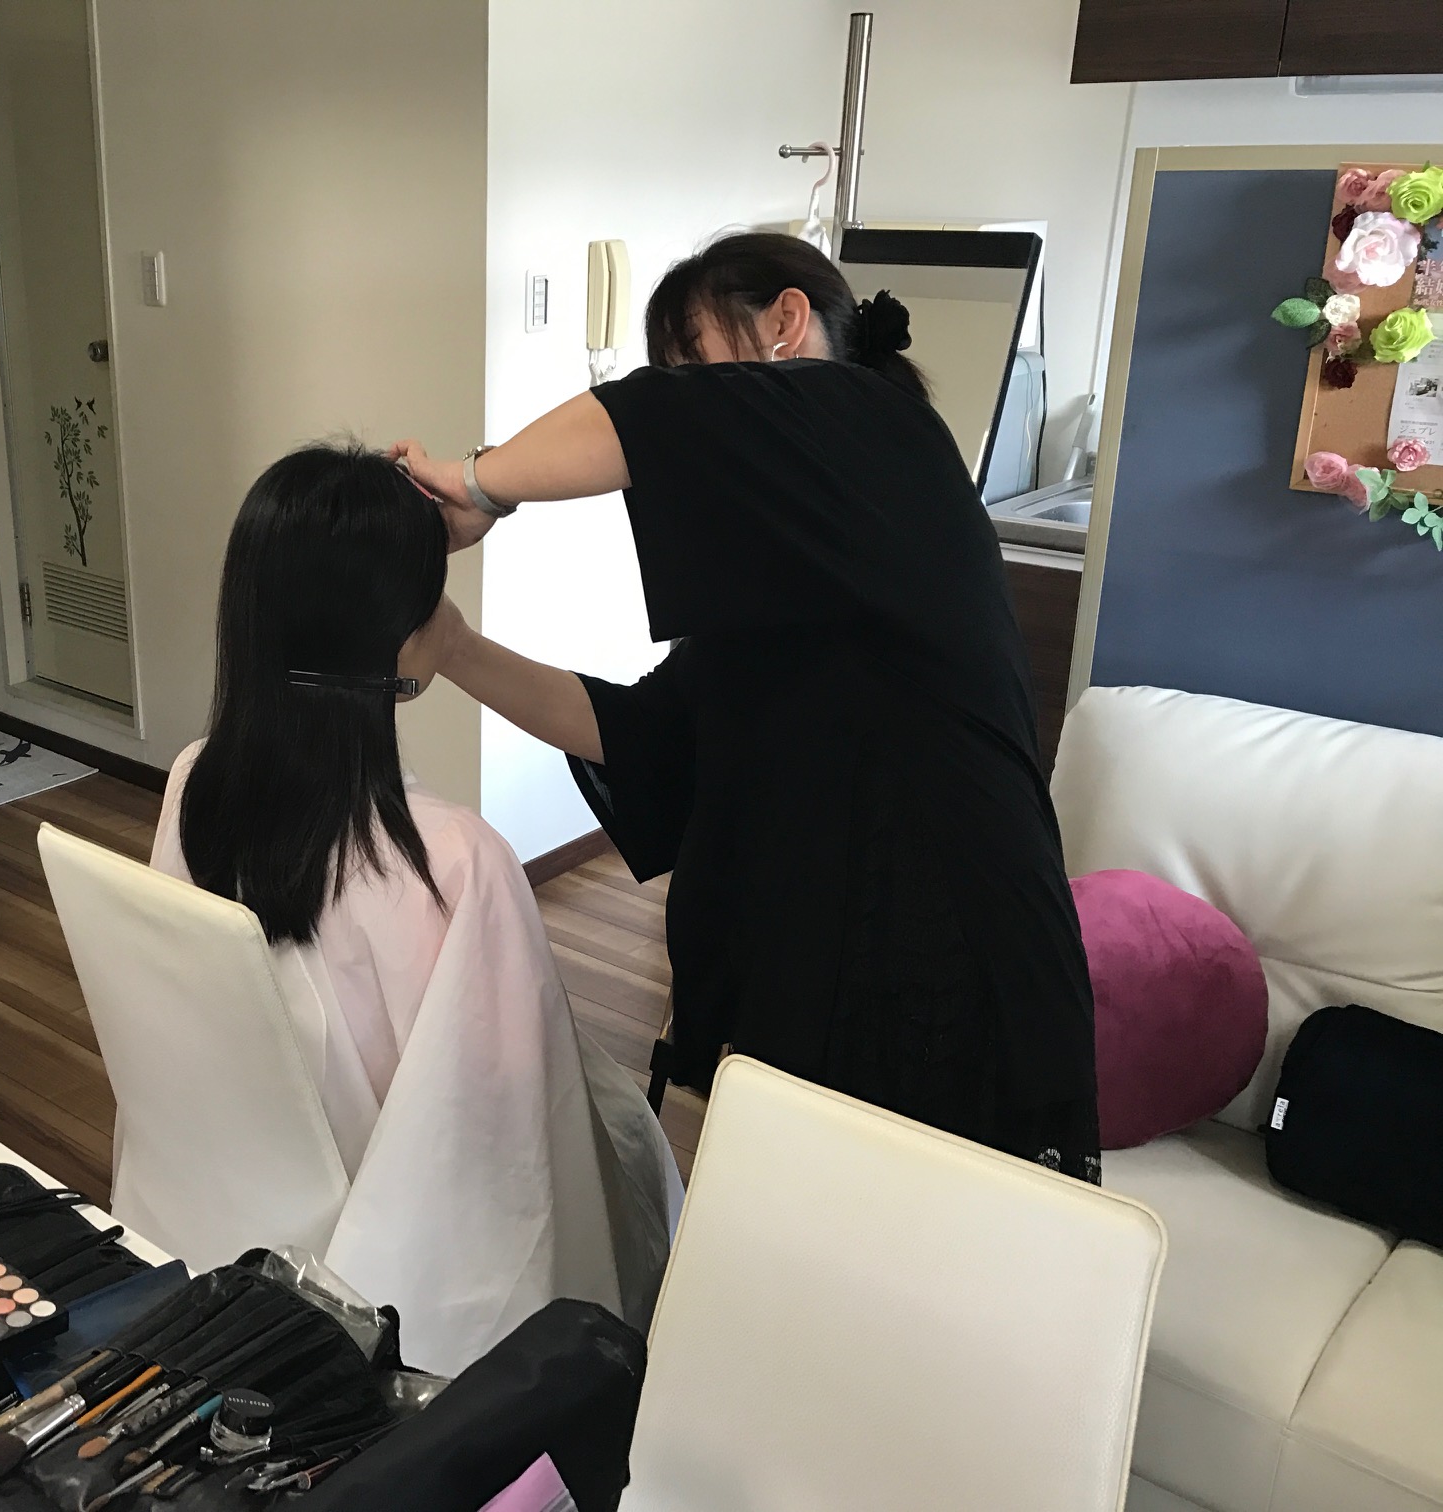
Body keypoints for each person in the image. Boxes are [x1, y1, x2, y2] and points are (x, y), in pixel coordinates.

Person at [393, 230, 1100, 1182]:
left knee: (927, 1233)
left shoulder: (883, 428)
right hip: (814, 952)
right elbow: (640, 738)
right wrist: (455, 647)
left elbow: (656, 420)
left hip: (954, 942)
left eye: (695, 367)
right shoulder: (778, 586)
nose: (690, 406)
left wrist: (477, 483)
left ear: (786, 325)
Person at [151, 443, 680, 1373]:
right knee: (631, 1141)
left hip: (229, 1204)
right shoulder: (456, 862)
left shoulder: (197, 780)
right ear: (403, 642)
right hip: (399, 1286)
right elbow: (509, 1141)